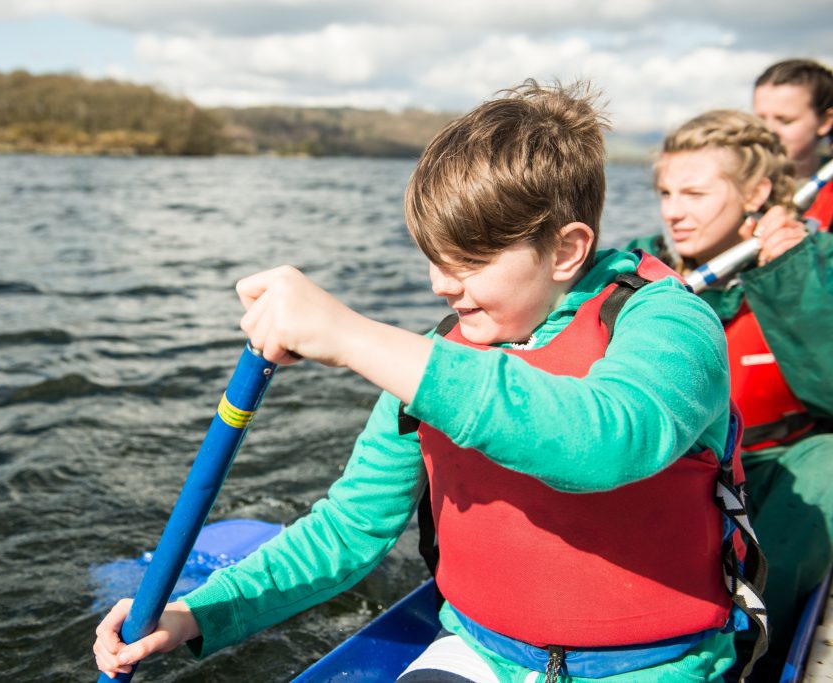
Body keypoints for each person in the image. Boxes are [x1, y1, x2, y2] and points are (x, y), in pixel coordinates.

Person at [95, 81, 755, 683]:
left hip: (653, 665)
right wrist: (193, 614)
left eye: (469, 259)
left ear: (566, 249)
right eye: (435, 259)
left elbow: (607, 440)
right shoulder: (442, 352)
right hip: (479, 652)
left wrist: (353, 335)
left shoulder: (669, 321)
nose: (442, 283)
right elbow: (349, 530)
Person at [626, 109, 833, 680]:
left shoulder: (813, 264)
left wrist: (789, 274)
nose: (673, 210)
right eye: (666, 191)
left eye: (694, 192)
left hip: (777, 464)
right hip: (678, 467)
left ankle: (753, 652)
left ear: (757, 192)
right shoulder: (636, 266)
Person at [753, 59, 833, 229]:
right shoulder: (738, 184)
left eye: (786, 120)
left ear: (825, 121)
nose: (769, 130)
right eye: (760, 119)